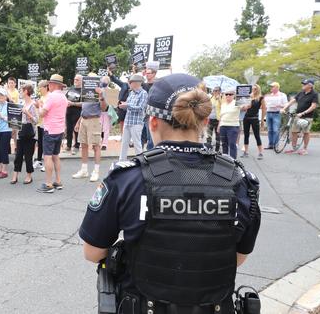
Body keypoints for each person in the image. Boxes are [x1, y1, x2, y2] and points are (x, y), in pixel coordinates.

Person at [79, 73, 261, 314]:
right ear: (205, 121)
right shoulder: (239, 181)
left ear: (152, 122)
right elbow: (237, 258)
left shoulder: (127, 178)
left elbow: (93, 252)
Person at [72, 73, 107, 183]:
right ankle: (84, 170)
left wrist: (100, 95)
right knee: (84, 145)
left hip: (94, 120)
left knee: (96, 146)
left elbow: (104, 108)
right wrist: (78, 122)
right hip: (84, 119)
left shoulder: (100, 90)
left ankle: (96, 171)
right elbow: (84, 107)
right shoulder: (85, 91)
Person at [37, 74, 68, 193]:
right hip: (59, 129)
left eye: (49, 84)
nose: (48, 86)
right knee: (56, 156)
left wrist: (39, 106)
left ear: (54, 85)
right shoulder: (63, 97)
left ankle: (49, 183)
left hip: (50, 129)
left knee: (48, 156)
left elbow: (42, 113)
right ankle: (58, 181)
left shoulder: (51, 97)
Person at [282, 79, 319, 155]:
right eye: (303, 84)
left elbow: (313, 106)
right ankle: (294, 148)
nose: (303, 85)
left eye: (304, 84)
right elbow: (292, 101)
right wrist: (284, 108)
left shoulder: (314, 94)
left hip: (307, 117)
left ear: (310, 86)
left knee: (306, 132)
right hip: (297, 116)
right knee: (294, 131)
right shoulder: (301, 93)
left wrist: (303, 113)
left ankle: (305, 149)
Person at [11, 84, 38, 185]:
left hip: (30, 132)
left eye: (21, 91)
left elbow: (36, 120)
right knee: (18, 155)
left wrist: (28, 113)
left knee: (28, 155)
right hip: (20, 131)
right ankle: (15, 175)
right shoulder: (21, 103)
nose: (20, 93)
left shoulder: (33, 104)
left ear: (26, 91)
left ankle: (29, 175)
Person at [118, 74, 148, 161]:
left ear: (136, 83)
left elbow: (141, 108)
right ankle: (121, 161)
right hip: (128, 121)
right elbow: (128, 105)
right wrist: (123, 106)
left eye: (130, 82)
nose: (129, 83)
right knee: (124, 143)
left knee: (137, 143)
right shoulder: (131, 93)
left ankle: (141, 162)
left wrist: (127, 105)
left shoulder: (144, 93)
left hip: (137, 123)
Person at [241, 84, 266, 159]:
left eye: (255, 89)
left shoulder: (261, 98)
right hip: (246, 117)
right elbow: (245, 108)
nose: (253, 90)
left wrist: (262, 120)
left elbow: (264, 109)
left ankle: (260, 152)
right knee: (246, 135)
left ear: (258, 89)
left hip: (254, 118)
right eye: (252, 89)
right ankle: (245, 151)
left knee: (257, 135)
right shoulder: (249, 97)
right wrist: (245, 106)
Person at [263, 81, 288, 149]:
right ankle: (270, 145)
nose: (271, 88)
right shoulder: (268, 95)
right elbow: (265, 105)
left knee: (275, 130)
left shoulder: (282, 95)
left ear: (277, 87)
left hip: (277, 113)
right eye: (271, 86)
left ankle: (275, 145)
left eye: (272, 86)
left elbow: (286, 104)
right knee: (269, 130)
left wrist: (279, 105)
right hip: (268, 113)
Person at [218, 89, 241, 159]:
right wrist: (219, 126)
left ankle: (233, 161)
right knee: (224, 144)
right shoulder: (223, 104)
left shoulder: (237, 102)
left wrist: (249, 98)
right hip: (223, 126)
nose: (228, 95)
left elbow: (246, 107)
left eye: (230, 94)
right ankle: (225, 160)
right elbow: (221, 116)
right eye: (226, 94)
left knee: (232, 144)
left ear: (233, 95)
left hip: (233, 126)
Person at [141, 63, 158, 150]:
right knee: (141, 137)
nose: (147, 75)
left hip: (151, 114)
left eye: (149, 73)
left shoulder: (157, 85)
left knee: (150, 138)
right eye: (146, 73)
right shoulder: (143, 85)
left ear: (154, 74)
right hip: (142, 114)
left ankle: (150, 156)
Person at [65, 74, 83, 155]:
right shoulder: (71, 89)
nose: (75, 81)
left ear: (81, 81)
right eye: (74, 79)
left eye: (77, 80)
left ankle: (76, 146)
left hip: (78, 113)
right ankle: (68, 145)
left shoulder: (83, 91)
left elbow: (84, 103)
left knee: (77, 130)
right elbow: (65, 98)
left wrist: (73, 103)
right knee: (69, 129)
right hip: (68, 112)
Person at [109, 65, 130, 132]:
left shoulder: (136, 87)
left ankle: (129, 138)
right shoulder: (124, 84)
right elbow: (115, 80)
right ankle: (122, 136)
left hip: (129, 106)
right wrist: (110, 73)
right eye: (128, 79)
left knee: (129, 123)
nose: (128, 81)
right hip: (121, 106)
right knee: (121, 121)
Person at [33, 80, 49, 170]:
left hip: (45, 123)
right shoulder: (42, 96)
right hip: (40, 122)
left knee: (45, 143)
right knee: (39, 142)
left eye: (40, 87)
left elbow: (45, 110)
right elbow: (39, 107)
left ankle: (47, 163)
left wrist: (39, 105)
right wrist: (37, 105)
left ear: (46, 87)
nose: (39, 89)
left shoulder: (48, 97)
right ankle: (39, 160)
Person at [206, 86, 222, 152]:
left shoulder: (221, 98)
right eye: (214, 90)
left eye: (216, 90)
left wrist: (219, 99)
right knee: (209, 135)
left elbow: (224, 106)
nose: (215, 92)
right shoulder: (211, 98)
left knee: (218, 136)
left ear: (220, 91)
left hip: (218, 120)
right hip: (210, 119)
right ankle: (208, 149)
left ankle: (217, 151)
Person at [99, 76, 112, 151]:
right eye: (103, 81)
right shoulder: (99, 90)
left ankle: (104, 144)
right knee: (99, 127)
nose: (104, 82)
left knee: (106, 128)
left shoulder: (111, 91)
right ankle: (99, 142)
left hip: (108, 111)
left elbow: (113, 102)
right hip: (99, 111)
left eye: (105, 81)